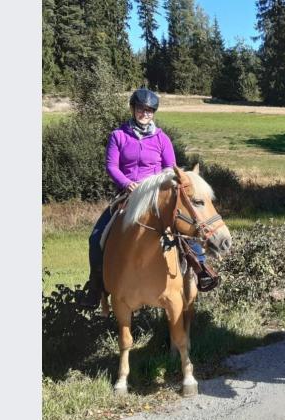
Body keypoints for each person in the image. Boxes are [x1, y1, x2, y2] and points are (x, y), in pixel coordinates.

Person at [79, 88, 216, 309]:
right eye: (142, 109)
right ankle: (96, 286)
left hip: (155, 197)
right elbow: (111, 166)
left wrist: (159, 189)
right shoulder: (119, 136)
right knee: (96, 238)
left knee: (185, 228)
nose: (145, 113)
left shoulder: (161, 139)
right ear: (133, 109)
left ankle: (201, 270)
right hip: (128, 195)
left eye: (150, 110)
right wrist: (126, 183)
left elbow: (170, 169)